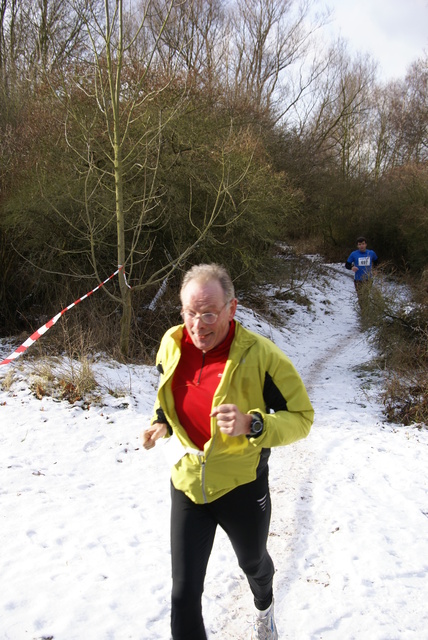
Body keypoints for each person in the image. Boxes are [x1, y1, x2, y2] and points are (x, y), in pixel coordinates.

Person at [142, 263, 314, 640]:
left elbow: (302, 418)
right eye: (190, 313)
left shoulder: (262, 357)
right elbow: (169, 398)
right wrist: (162, 424)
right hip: (188, 483)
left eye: (209, 314)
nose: (198, 325)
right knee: (183, 593)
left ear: (232, 309)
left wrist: (254, 424)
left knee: (253, 563)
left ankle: (264, 606)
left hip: (241, 486)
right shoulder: (171, 343)